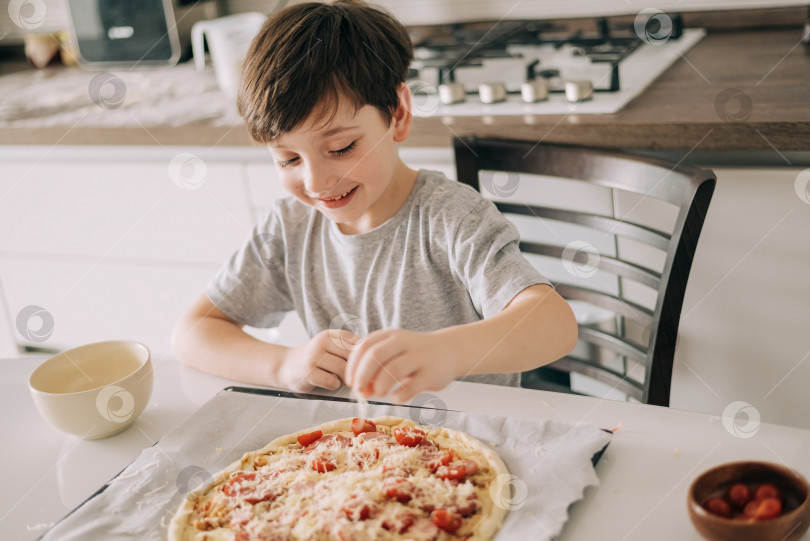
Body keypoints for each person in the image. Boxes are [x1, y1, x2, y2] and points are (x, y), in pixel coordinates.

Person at [172, 0, 577, 404]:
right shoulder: (289, 228)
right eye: (289, 159)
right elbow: (192, 334)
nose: (316, 182)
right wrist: (285, 364)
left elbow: (554, 325)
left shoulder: (452, 218)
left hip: (469, 447)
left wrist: (447, 352)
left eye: (342, 148)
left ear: (397, 114)